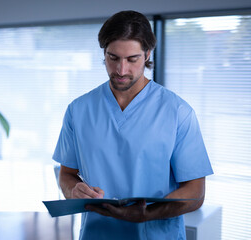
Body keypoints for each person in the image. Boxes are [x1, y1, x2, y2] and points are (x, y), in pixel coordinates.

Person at [52, 10, 213, 240]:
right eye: (113, 58)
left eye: (132, 59)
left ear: (147, 54)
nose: (121, 70)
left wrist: (148, 214)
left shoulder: (178, 112)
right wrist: (73, 190)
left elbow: (196, 193)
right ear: (104, 53)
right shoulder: (78, 110)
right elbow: (67, 174)